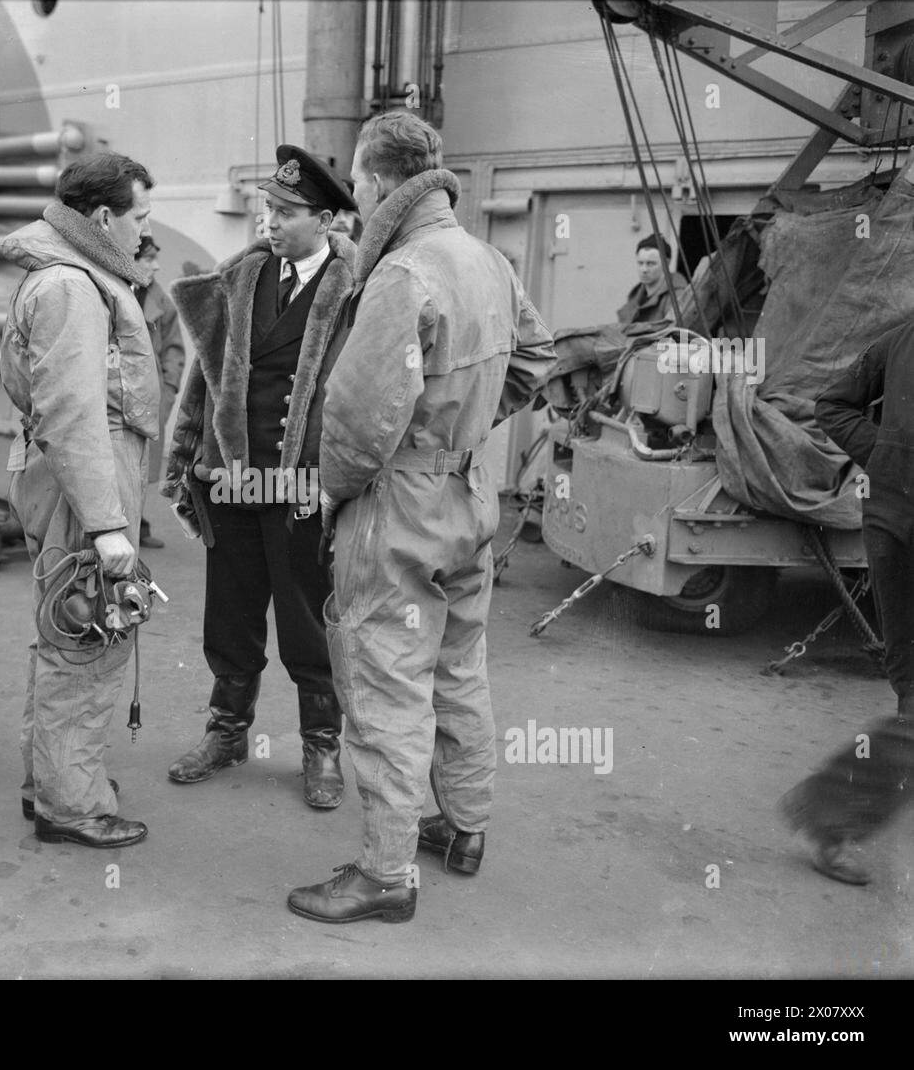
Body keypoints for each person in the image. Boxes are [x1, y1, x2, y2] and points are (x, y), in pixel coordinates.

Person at [287, 112, 557, 923]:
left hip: (398, 507)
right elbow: (537, 359)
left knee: (385, 686)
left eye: (359, 184)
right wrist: (461, 433)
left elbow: (361, 417)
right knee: (459, 670)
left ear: (377, 182)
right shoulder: (487, 260)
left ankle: (384, 875)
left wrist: (332, 489)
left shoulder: (403, 273)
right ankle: (463, 829)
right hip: (470, 496)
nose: (358, 197)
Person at [162, 145, 358, 809]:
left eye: (287, 211)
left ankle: (321, 747)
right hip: (237, 483)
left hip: (306, 490)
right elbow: (205, 381)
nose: (269, 222)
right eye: (267, 208)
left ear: (326, 219)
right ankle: (226, 732)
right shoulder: (241, 280)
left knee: (308, 624)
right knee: (231, 616)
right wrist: (186, 461)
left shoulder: (355, 293)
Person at [0, 152, 160, 849]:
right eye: (140, 217)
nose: (144, 233)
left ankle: (53, 783)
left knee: (63, 633)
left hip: (66, 479)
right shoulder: (72, 287)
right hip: (80, 488)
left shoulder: (71, 276)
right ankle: (73, 806)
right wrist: (107, 526)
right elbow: (72, 414)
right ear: (104, 217)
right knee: (86, 642)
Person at [778, 320, 914, 885]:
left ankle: (837, 815)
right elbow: (833, 404)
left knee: (910, 683)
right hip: (897, 522)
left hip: (887, 519)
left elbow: (833, 404)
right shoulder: (901, 337)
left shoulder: (902, 334)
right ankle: (830, 816)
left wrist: (882, 457)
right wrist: (884, 453)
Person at [134, 235, 186, 549]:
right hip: (116, 397)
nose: (155, 265)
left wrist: (168, 391)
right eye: (148, 258)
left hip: (151, 399)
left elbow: (173, 350)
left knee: (142, 468)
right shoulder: (111, 291)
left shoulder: (160, 300)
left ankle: (137, 525)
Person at [617, 232, 687, 325]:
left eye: (651, 263)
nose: (644, 269)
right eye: (640, 263)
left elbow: (673, 332)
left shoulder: (677, 296)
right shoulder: (635, 296)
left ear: (666, 263)